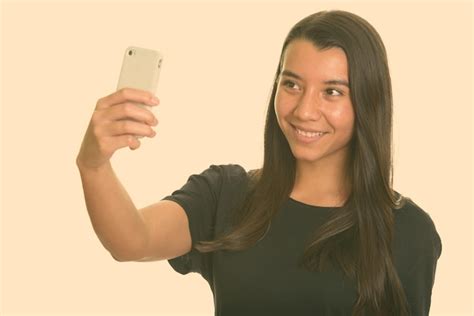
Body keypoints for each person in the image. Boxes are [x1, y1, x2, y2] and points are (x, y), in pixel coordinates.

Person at [76, 9, 442, 316]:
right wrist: (94, 165)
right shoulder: (226, 195)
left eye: (332, 92)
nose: (305, 110)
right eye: (292, 85)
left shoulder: (409, 233)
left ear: (368, 101)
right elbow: (132, 240)